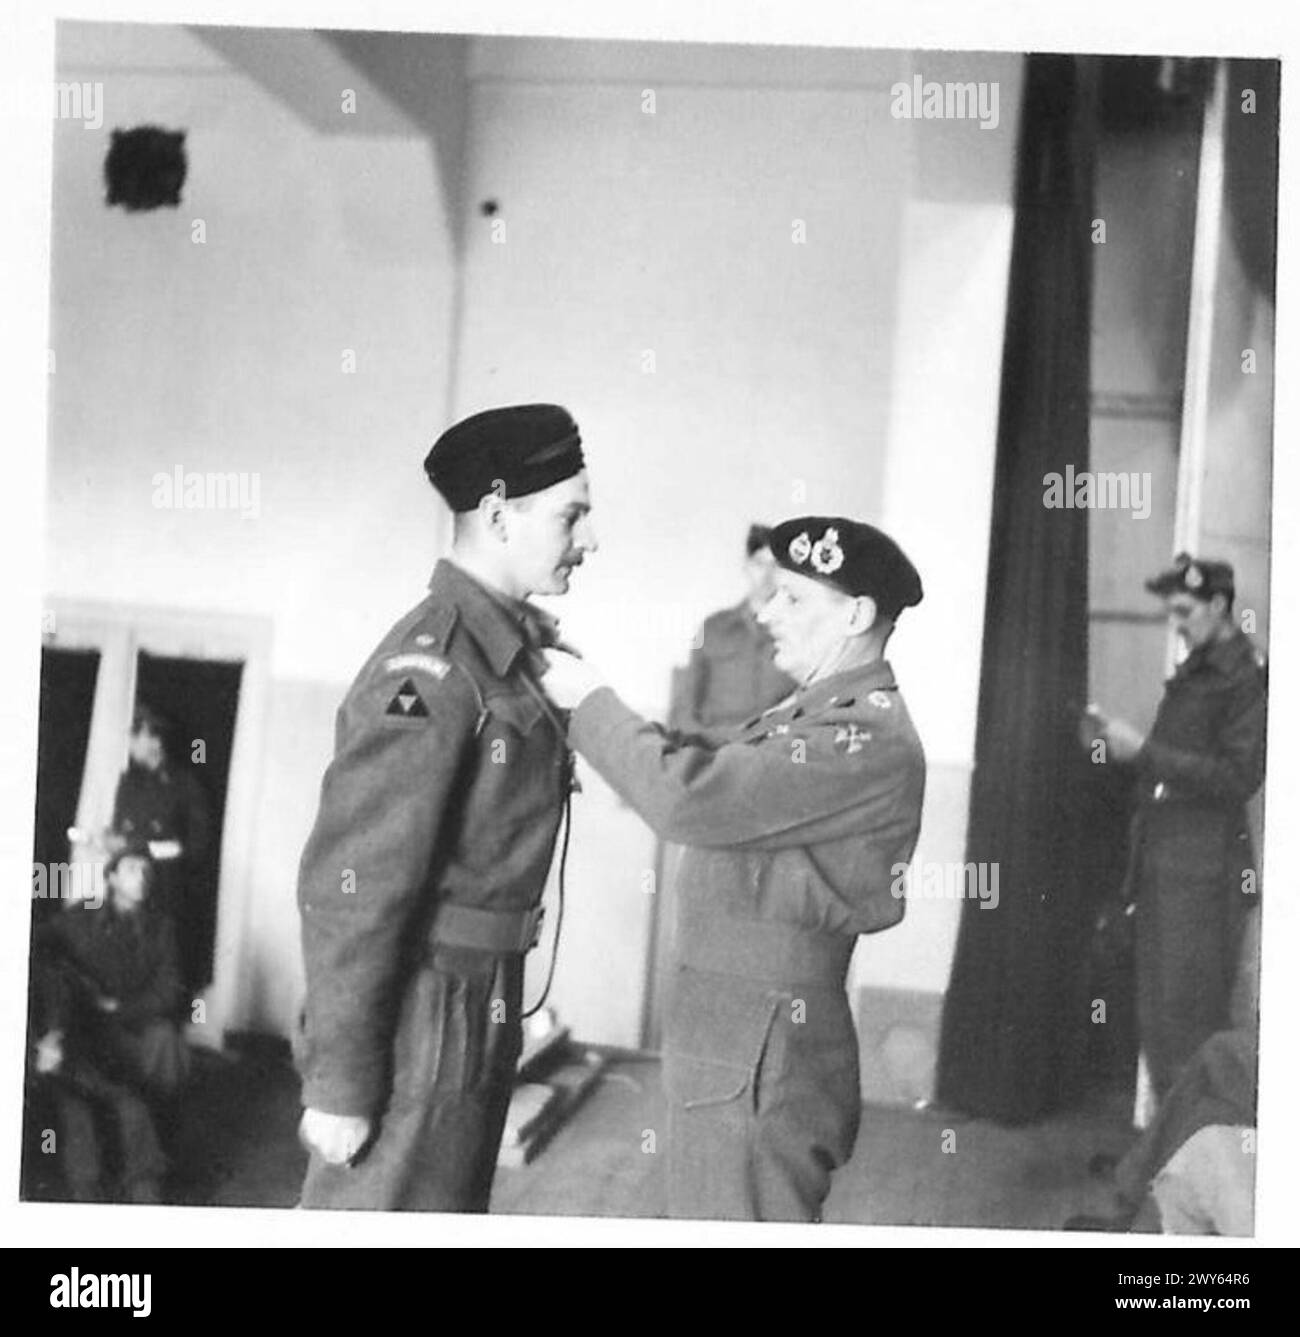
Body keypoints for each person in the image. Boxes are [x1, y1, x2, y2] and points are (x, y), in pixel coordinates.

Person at [544, 516, 926, 1221]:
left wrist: (589, 703)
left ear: (858, 614)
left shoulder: (861, 733)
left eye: (793, 600)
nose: (766, 612)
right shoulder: (819, 707)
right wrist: (633, 742)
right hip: (737, 1030)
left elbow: (694, 797)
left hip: (762, 1041)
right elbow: (719, 754)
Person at [295, 403, 597, 1212]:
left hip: (480, 997)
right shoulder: (433, 668)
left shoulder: (509, 657)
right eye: (573, 515)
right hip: (425, 1012)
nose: (590, 539)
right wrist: (342, 1080)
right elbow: (354, 883)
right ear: (498, 515)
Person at [1084, 553, 1266, 1102]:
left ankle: (1182, 1173)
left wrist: (1143, 751)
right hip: (1168, 865)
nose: (1178, 624)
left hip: (1204, 875)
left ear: (1218, 605)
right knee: (1160, 1020)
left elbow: (1238, 777)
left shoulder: (1245, 676)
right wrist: (1122, 751)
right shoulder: (1197, 668)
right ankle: (1163, 1167)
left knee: (1187, 1025)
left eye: (1185, 611)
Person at [31, 847, 189, 1202]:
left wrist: (120, 1007)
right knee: (86, 1095)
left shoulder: (161, 926)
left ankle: (159, 1152)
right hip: (82, 1028)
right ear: (112, 878)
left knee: (166, 1039)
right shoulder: (87, 910)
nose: (143, 875)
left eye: (147, 870)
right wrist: (70, 988)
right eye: (132, 868)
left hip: (130, 1025)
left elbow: (170, 990)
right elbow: (42, 942)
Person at [112, 704, 213, 991]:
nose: (131, 745)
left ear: (154, 740)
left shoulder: (186, 785)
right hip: (128, 895)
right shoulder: (128, 783)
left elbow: (197, 848)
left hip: (166, 892)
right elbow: (122, 832)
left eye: (136, 736)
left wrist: (143, 848)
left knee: (161, 980)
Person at [669, 524, 795, 732]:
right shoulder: (711, 628)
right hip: (718, 746)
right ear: (746, 565)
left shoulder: (797, 630)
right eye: (759, 564)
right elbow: (685, 704)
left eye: (775, 566)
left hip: (772, 747)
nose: (766, 575)